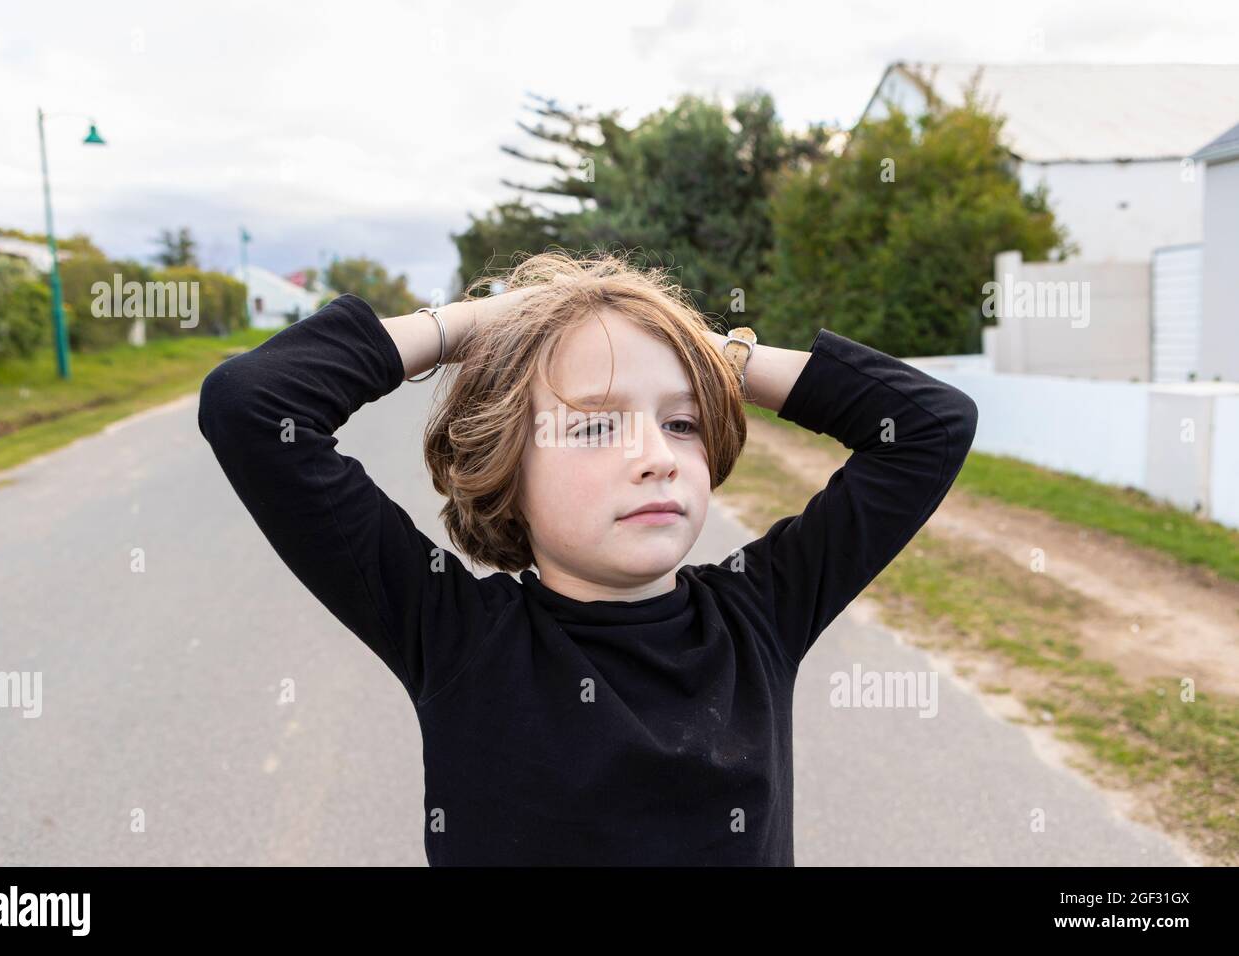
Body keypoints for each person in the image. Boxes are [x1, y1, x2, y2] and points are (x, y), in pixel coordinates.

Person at [197, 248, 978, 865]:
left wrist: (709, 353)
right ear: (506, 468)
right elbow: (255, 405)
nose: (656, 457)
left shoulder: (761, 615)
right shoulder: (453, 634)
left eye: (681, 422)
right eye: (595, 426)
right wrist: (481, 323)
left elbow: (928, 425)